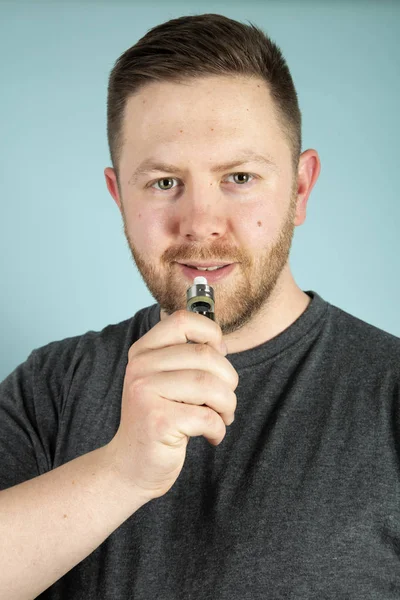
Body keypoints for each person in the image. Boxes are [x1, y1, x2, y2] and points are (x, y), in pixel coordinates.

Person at [1, 12, 399, 600]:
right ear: (119, 197)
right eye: (164, 182)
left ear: (299, 189)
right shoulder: (49, 387)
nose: (201, 225)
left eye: (239, 176)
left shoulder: (390, 393)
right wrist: (121, 471)